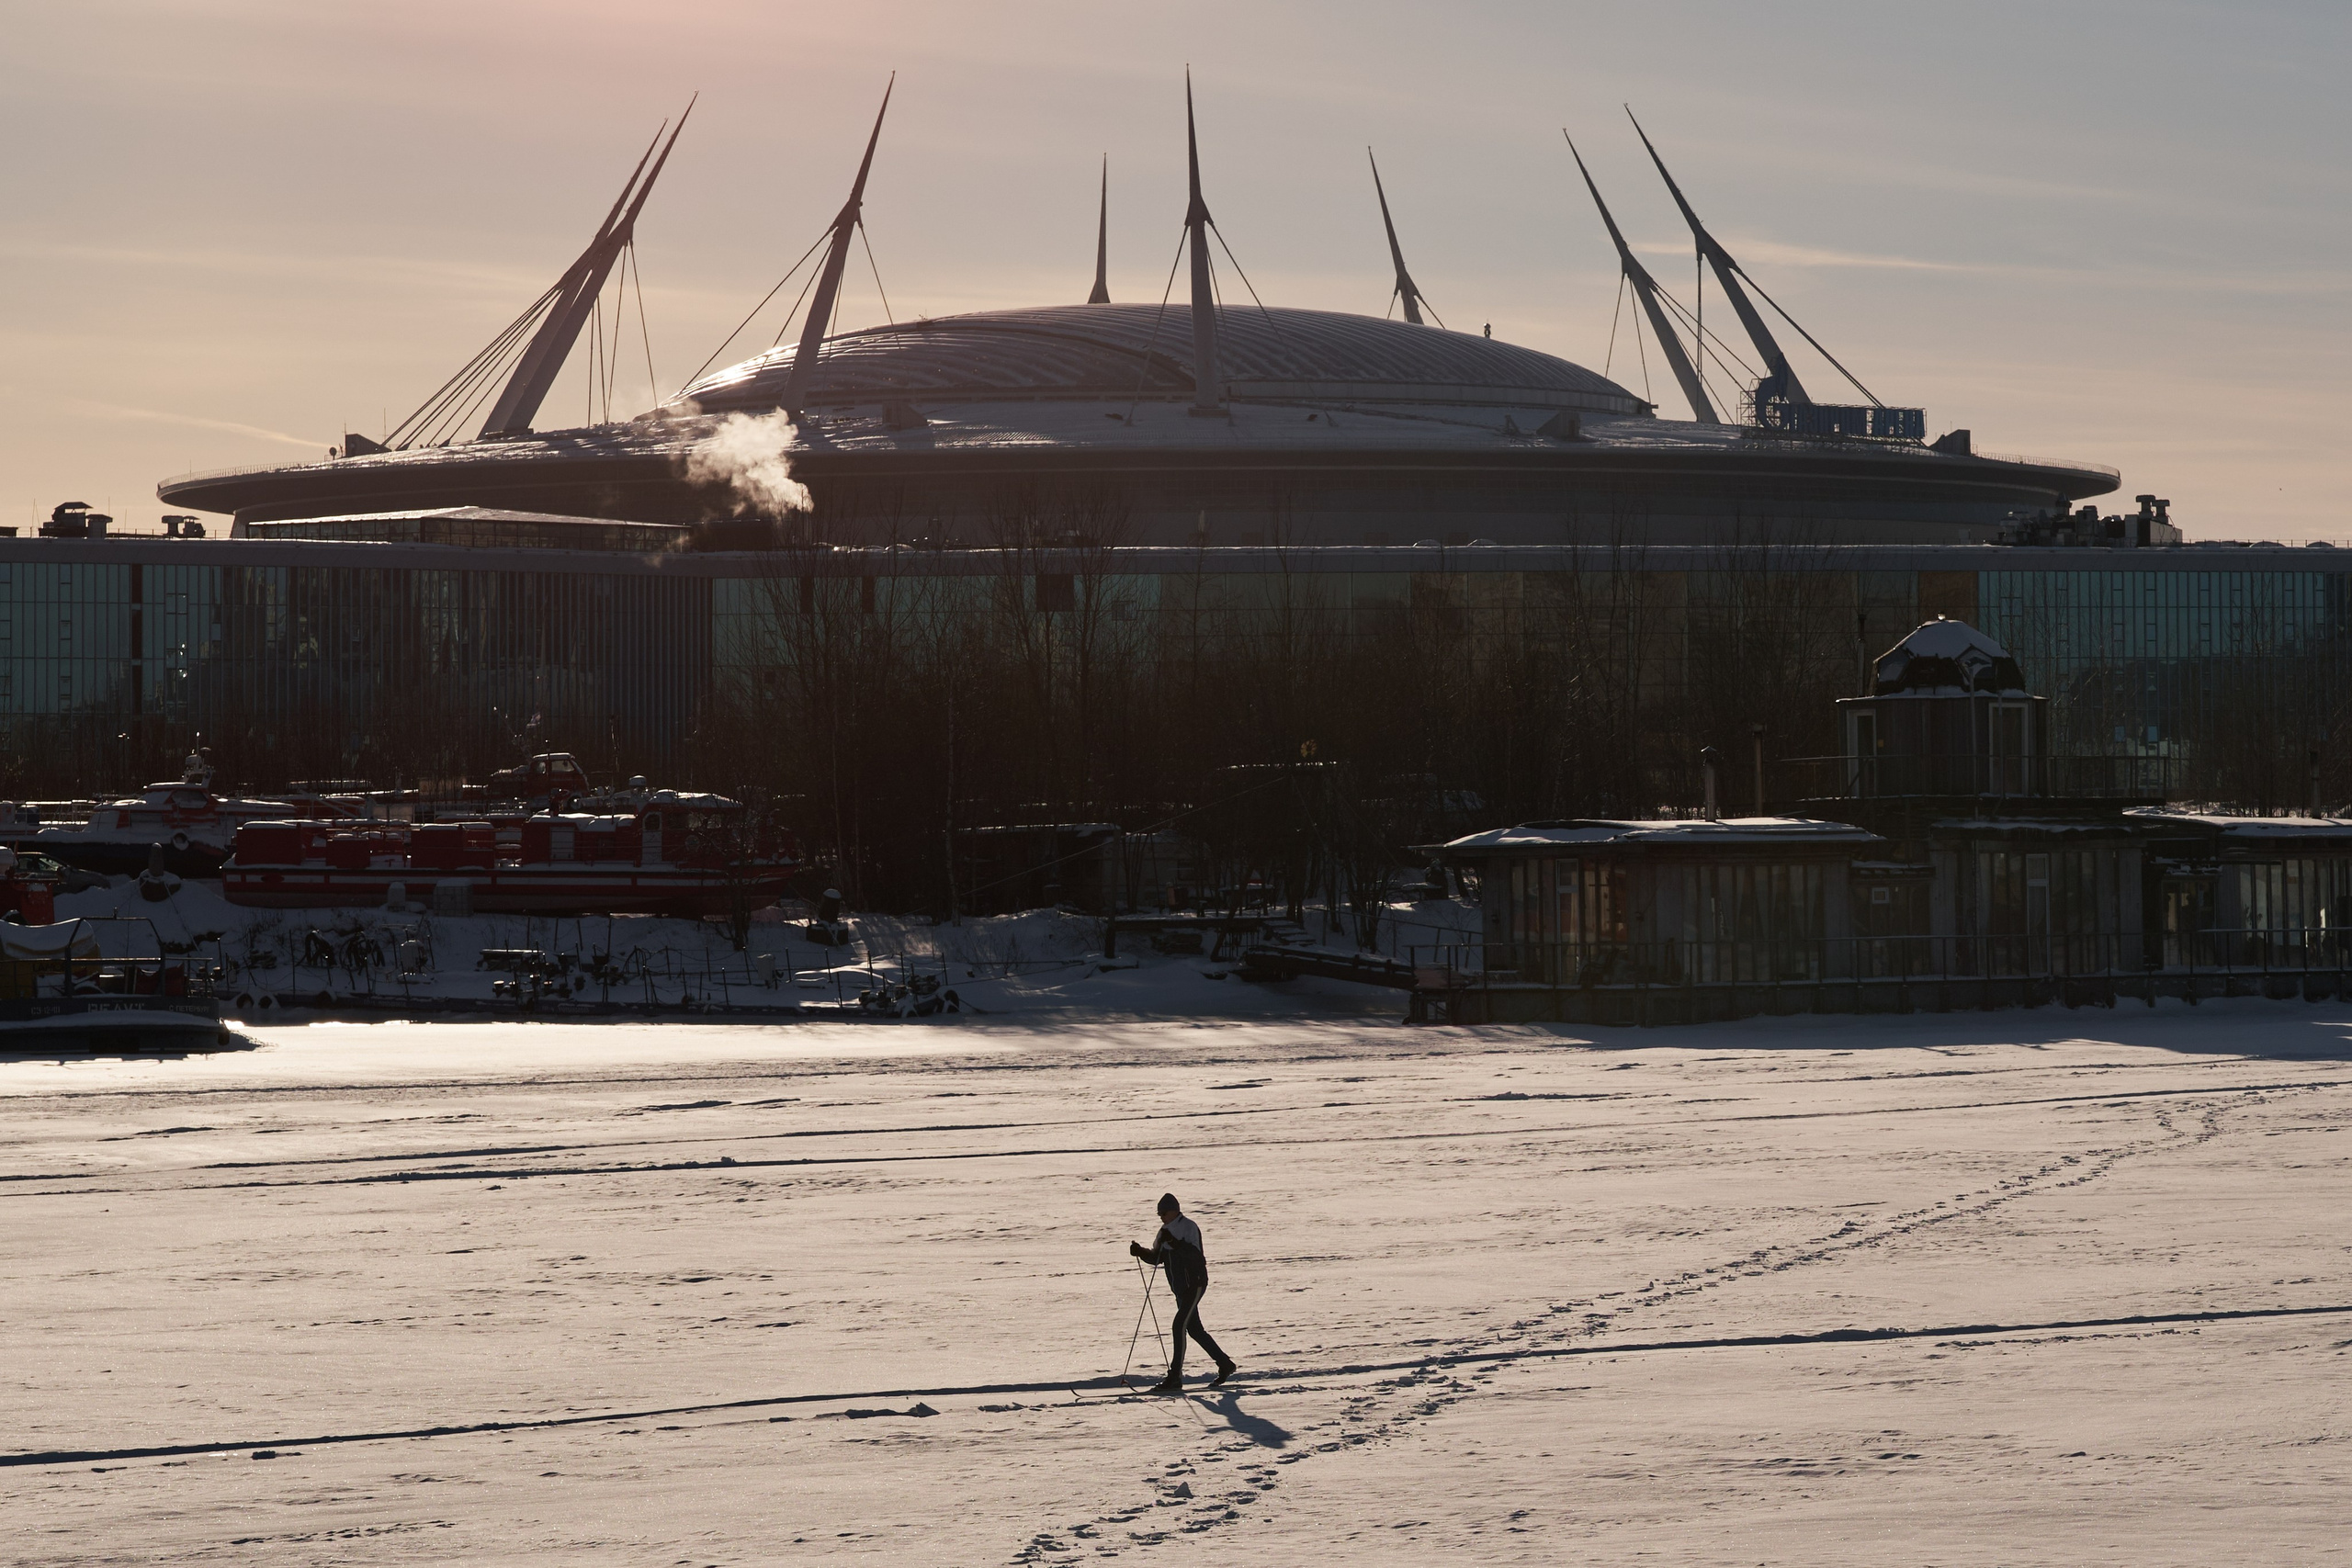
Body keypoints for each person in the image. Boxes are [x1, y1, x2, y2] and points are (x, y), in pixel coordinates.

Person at [1128, 1191, 1236, 1393]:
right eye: (1159, 1214)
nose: (1161, 1217)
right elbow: (1156, 1258)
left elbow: (1196, 1257)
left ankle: (1175, 1377)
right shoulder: (1164, 1231)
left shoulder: (1188, 1227)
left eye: (1164, 1213)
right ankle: (1225, 1364)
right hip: (1179, 1288)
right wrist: (1140, 1251)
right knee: (1194, 1330)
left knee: (1179, 1325)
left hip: (1194, 1285)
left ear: (1175, 1210)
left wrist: (1176, 1244)